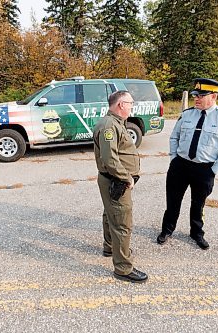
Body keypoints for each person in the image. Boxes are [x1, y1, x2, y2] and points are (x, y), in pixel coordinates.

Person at [157, 78, 218, 249]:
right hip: (180, 166)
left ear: (214, 96)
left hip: (204, 168)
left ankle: (196, 233)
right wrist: (174, 159)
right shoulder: (187, 114)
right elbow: (174, 137)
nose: (196, 98)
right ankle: (167, 229)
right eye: (195, 95)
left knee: (198, 204)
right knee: (172, 201)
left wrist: (213, 170)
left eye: (201, 95)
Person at [93, 90, 147, 283]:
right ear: (120, 105)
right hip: (116, 180)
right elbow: (109, 158)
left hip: (113, 179)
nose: (132, 106)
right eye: (130, 103)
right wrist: (126, 177)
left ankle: (110, 247)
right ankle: (123, 268)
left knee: (110, 213)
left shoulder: (116, 123)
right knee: (122, 222)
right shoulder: (109, 126)